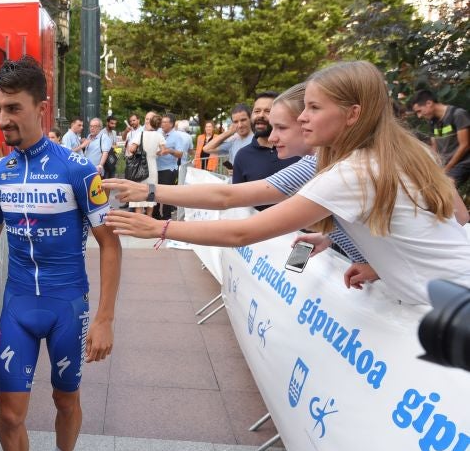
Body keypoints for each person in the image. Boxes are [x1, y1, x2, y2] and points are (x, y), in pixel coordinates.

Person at [105, 61, 470, 305]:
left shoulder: (350, 173)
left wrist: (159, 226)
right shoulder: (404, 152)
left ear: (353, 115)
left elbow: (242, 230)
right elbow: (456, 221)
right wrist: (380, 260)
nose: (303, 119)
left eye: (313, 109)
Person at [0, 56, 121, 451]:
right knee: (11, 414)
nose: (3, 120)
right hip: (18, 305)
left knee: (65, 399)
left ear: (41, 107)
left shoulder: (79, 170)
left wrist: (103, 317)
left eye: (13, 108)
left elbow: (111, 244)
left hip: (67, 306)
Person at [409, 89, 470, 185]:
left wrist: (447, 168)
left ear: (429, 103)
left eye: (419, 111)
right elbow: (434, 144)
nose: (419, 116)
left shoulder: (458, 114)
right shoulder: (433, 121)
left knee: (445, 187)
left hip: (463, 162)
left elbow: (465, 145)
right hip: (446, 164)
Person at [202, 103, 253, 167]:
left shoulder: (259, 140)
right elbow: (206, 148)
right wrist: (229, 132)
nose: (240, 125)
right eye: (236, 122)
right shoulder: (233, 140)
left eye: (243, 120)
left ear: (251, 119)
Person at [130, 113, 161, 216]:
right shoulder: (159, 135)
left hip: (140, 167)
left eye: (148, 119)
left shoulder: (141, 134)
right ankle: (149, 220)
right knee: (151, 194)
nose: (147, 121)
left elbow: (131, 149)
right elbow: (161, 151)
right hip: (152, 168)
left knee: (139, 195)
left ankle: (139, 222)